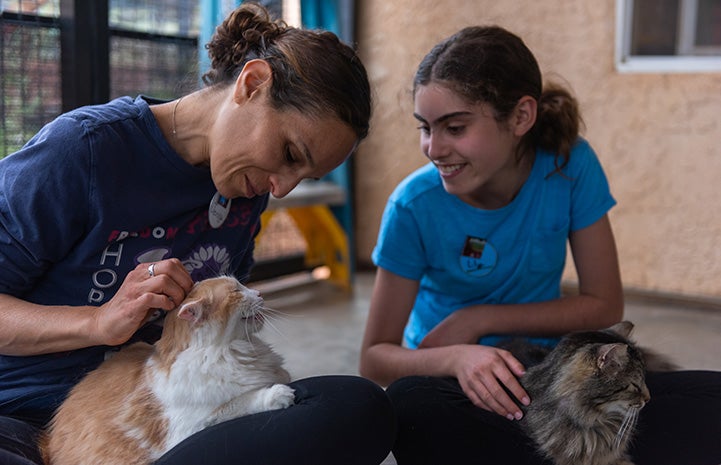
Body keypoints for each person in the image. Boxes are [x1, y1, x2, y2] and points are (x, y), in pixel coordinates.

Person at [0, 4, 395, 465]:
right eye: (289, 152)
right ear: (252, 84)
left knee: (358, 409)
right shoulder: (83, 152)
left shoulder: (246, 195)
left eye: (302, 178)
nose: (282, 188)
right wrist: (96, 323)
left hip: (165, 416)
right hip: (24, 415)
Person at [359, 25, 721, 465]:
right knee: (412, 405)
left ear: (521, 117)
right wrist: (457, 357)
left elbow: (605, 304)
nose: (434, 148)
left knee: (705, 400)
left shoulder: (570, 166)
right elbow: (375, 360)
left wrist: (478, 318)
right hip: (453, 379)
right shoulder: (412, 206)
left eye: (454, 127)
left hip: (552, 373)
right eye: (425, 128)